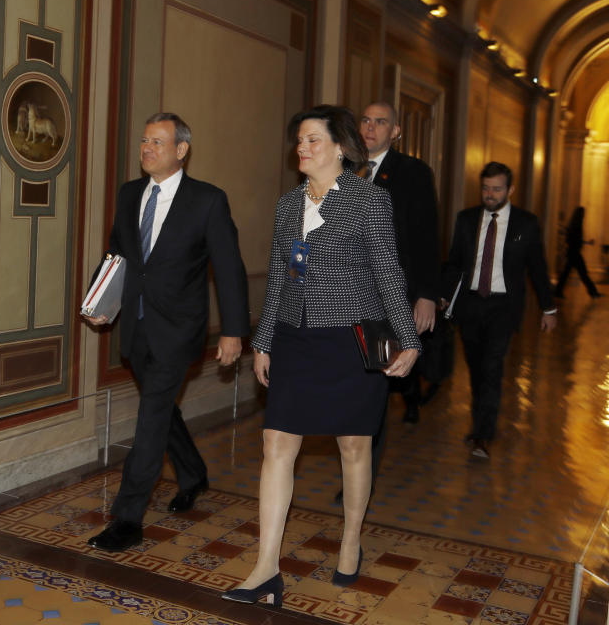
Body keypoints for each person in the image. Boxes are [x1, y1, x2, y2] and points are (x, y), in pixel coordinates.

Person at [222, 105, 420, 606]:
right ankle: (266, 566)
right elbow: (278, 279)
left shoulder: (369, 202)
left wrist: (409, 340)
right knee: (275, 445)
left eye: (312, 140)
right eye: (299, 142)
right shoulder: (288, 204)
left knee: (353, 447)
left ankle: (350, 540)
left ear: (340, 147)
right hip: (295, 338)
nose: (301, 149)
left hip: (349, 342)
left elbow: (388, 277)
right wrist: (263, 340)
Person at [82, 112, 250, 552]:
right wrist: (101, 303)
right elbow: (116, 253)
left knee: (150, 418)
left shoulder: (207, 200)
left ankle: (127, 519)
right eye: (144, 141)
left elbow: (229, 269)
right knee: (161, 411)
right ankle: (192, 473)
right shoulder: (129, 193)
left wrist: (233, 332)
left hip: (179, 330)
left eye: (157, 142)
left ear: (181, 150)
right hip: (135, 329)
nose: (147, 149)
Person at [443, 161, 557, 459]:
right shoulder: (466, 219)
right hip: (470, 305)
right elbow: (455, 263)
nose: (490, 194)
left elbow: (537, 268)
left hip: (502, 307)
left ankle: (483, 436)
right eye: (485, 188)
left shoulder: (526, 223)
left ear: (510, 190)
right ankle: (481, 421)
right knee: (476, 368)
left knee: (492, 368)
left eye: (496, 189)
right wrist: (441, 297)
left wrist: (549, 308)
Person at [359, 101, 440, 425]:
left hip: (387, 297)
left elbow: (426, 238)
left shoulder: (413, 172)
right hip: (343, 296)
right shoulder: (341, 167)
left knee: (375, 384)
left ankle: (365, 467)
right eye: (365, 120)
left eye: (379, 122)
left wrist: (427, 295)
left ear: (395, 131)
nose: (369, 127)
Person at [554, 206, 601, 298]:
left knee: (568, 273)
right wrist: (583, 243)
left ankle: (558, 291)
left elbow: (573, 239)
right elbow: (575, 240)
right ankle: (593, 292)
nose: (584, 215)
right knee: (582, 273)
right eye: (583, 213)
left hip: (573, 253)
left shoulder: (574, 224)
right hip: (574, 253)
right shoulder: (577, 225)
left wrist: (586, 242)